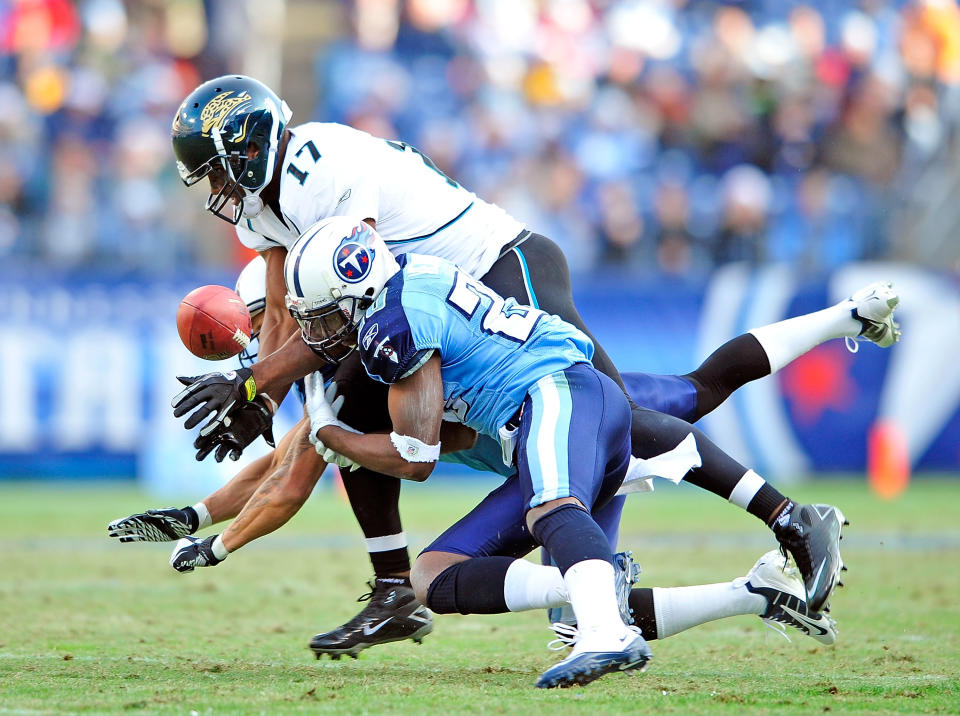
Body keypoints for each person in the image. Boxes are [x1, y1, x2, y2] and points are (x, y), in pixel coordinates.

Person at [168, 74, 888, 634]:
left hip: (499, 268)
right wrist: (251, 381)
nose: (220, 192)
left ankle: (787, 517)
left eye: (221, 172)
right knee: (367, 402)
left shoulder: (319, 167)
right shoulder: (269, 200)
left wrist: (259, 383)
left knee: (628, 415)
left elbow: (358, 280)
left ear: (252, 147)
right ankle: (400, 587)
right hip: (438, 307)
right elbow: (294, 310)